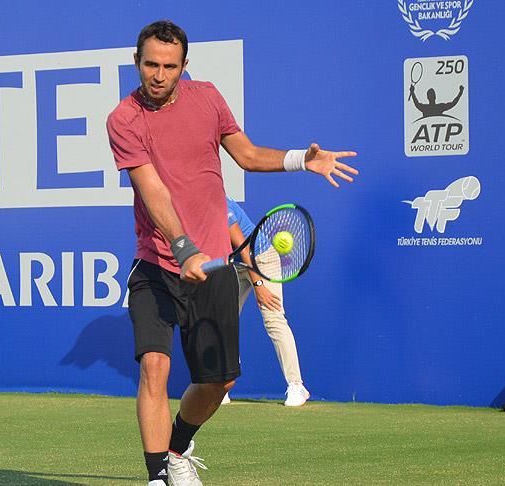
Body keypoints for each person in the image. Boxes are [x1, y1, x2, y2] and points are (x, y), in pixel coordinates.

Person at [106, 20, 358, 486]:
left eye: (169, 67)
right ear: (136, 61)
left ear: (184, 65)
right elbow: (152, 190)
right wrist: (183, 248)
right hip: (156, 265)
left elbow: (247, 154)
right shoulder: (123, 118)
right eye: (150, 65)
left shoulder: (207, 98)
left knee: (218, 382)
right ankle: (156, 477)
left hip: (213, 270)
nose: (159, 75)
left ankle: (177, 449)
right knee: (154, 367)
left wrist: (302, 159)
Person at [222, 196, 310, 407]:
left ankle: (297, 385)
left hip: (260, 258)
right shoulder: (191, 205)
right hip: (233, 264)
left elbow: (244, 249)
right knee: (222, 321)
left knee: (273, 320)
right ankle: (220, 385)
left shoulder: (220, 205)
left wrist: (259, 285)